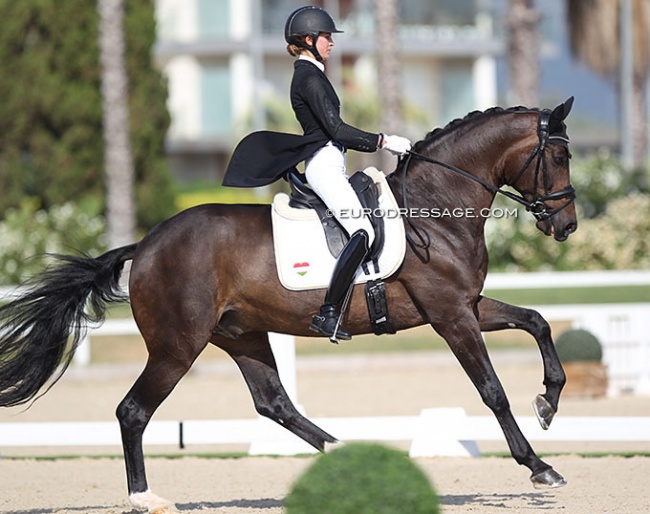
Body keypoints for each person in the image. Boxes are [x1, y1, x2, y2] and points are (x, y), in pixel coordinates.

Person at [223, 5, 411, 341]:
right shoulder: (308, 77)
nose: (331, 42)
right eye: (326, 36)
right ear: (308, 39)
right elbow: (336, 129)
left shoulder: (313, 74)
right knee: (362, 231)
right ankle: (329, 313)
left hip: (331, 160)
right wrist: (382, 140)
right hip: (324, 163)